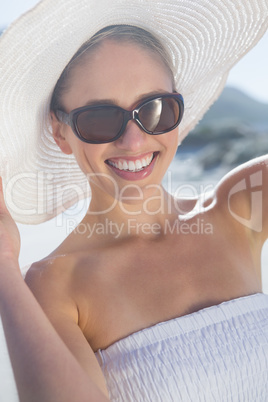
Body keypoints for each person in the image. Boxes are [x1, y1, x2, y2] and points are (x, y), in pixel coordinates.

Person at [0, 0, 267, 401]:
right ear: (60, 132)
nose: (134, 141)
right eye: (101, 119)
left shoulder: (241, 207)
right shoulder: (55, 286)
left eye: (155, 109)